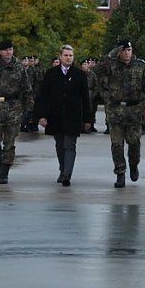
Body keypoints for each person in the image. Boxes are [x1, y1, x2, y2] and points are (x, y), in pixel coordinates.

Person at [92, 39, 145, 188]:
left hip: (134, 111)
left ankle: (133, 164)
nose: (127, 53)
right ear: (119, 52)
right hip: (115, 111)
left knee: (134, 143)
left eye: (129, 50)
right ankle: (120, 172)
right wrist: (110, 54)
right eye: (124, 50)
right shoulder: (111, 65)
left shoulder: (140, 66)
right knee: (116, 144)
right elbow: (96, 71)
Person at [33, 45, 92, 186]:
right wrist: (41, 116)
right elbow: (43, 96)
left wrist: (88, 119)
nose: (68, 58)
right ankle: (62, 169)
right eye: (65, 55)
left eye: (71, 55)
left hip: (73, 116)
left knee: (69, 145)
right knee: (60, 145)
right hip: (56, 116)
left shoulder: (80, 75)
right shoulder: (51, 74)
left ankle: (67, 174)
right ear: (60, 56)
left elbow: (85, 99)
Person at [0, 39, 34, 184]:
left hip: (13, 106)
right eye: (5, 50)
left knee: (9, 142)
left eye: (10, 49)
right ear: (0, 51)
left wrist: (28, 109)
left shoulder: (19, 67)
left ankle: (4, 171)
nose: (8, 52)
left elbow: (27, 89)